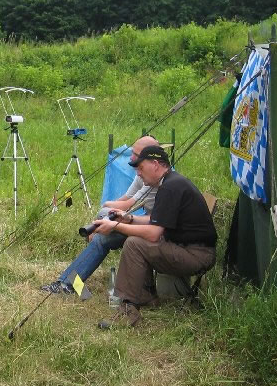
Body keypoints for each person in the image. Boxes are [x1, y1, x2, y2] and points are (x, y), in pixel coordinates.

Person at [98, 145, 217, 328]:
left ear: (155, 164)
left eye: (140, 168)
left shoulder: (170, 187)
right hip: (190, 249)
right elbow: (156, 220)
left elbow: (154, 234)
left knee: (134, 244)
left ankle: (128, 312)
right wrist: (129, 218)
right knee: (138, 241)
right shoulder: (171, 182)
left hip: (196, 254)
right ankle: (145, 296)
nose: (138, 174)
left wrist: (115, 226)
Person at [40, 136, 160, 295]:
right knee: (101, 237)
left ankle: (69, 284)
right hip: (146, 225)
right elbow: (126, 200)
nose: (131, 158)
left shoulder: (161, 181)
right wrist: (104, 217)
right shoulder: (144, 174)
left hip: (155, 233)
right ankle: (68, 284)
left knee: (103, 232)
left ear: (151, 159)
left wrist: (109, 217)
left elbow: (149, 220)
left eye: (135, 155)